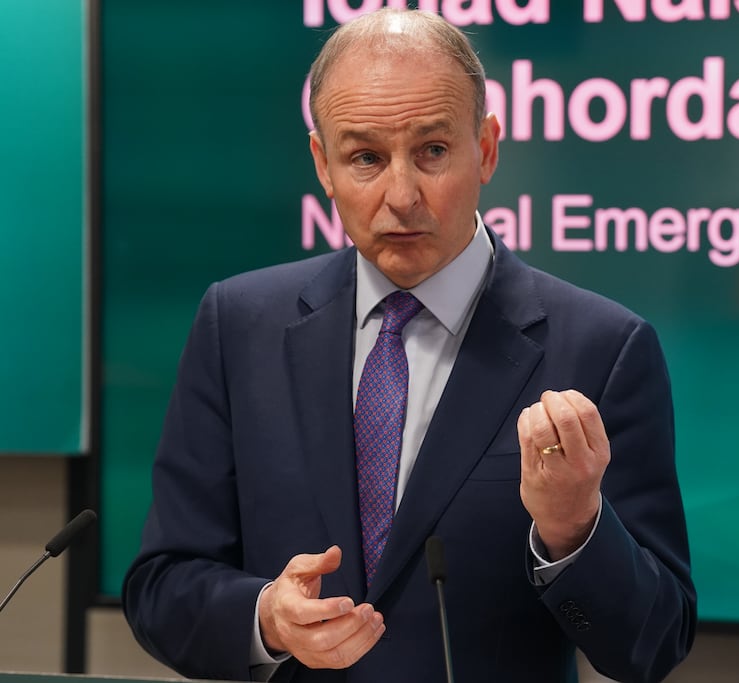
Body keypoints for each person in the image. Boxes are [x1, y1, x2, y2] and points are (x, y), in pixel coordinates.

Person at [122, 8, 696, 683]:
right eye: (365, 156)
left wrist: (575, 530)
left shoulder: (603, 348)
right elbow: (162, 587)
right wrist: (266, 617)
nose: (401, 195)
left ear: (485, 148)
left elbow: (654, 642)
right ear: (323, 165)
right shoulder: (238, 324)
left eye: (431, 151)